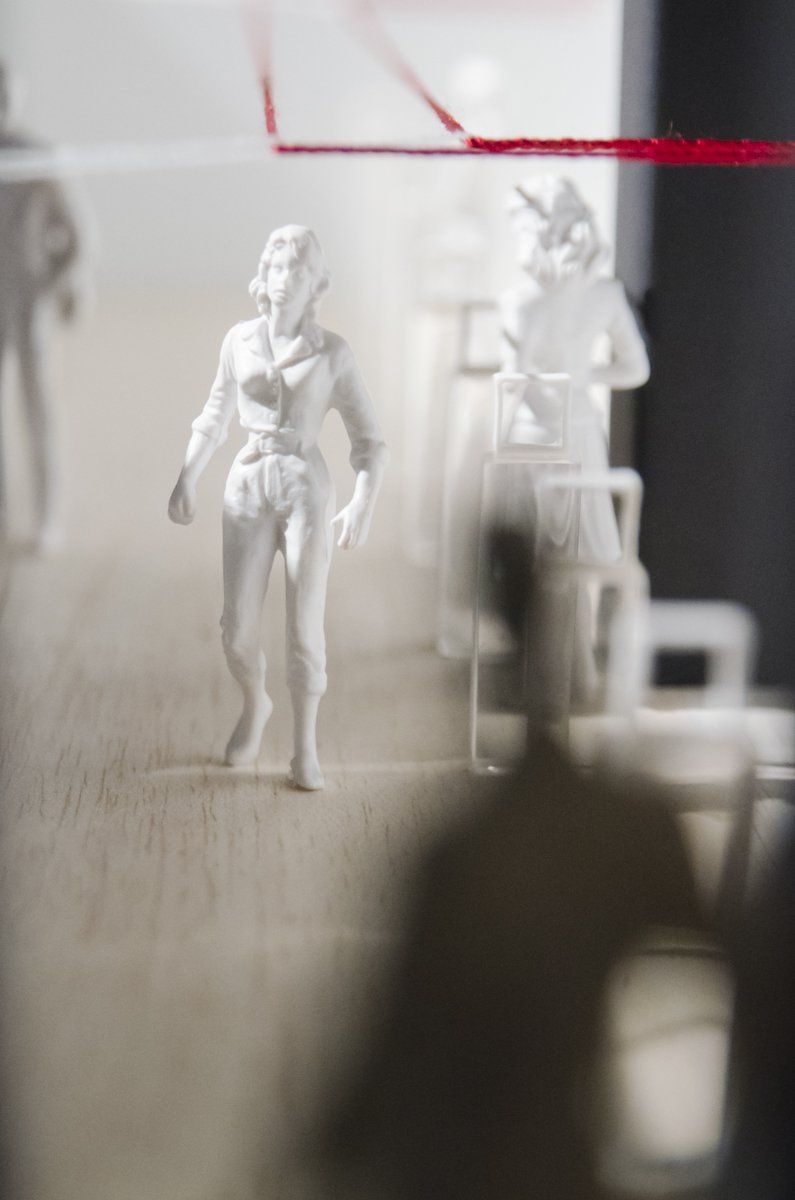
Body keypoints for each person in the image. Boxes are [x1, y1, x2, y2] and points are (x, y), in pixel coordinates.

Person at [168, 225, 387, 789]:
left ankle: (304, 748)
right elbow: (214, 415)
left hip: (304, 487)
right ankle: (254, 703)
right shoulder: (238, 340)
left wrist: (362, 502)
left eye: (298, 270)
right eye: (277, 268)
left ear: (316, 284)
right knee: (237, 630)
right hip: (247, 484)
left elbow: (369, 440)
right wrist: (188, 475)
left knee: (304, 627)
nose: (285, 279)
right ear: (263, 276)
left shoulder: (332, 353)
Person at [501, 175, 650, 561]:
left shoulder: (522, 303)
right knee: (589, 553)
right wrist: (584, 376)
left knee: (529, 558)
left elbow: (512, 380)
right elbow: (635, 370)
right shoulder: (607, 295)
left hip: (531, 436)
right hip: (581, 429)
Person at [0, 61, 84, 550]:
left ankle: (47, 518)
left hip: (28, 299)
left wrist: (64, 284)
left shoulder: (38, 158)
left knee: (38, 410)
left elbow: (76, 233)